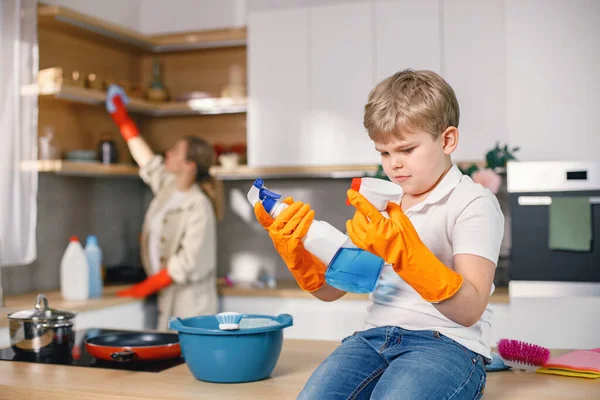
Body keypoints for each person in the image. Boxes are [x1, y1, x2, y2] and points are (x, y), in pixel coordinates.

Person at [254, 70, 504, 399]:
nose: (394, 164)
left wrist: (407, 255)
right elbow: (335, 291)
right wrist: (300, 255)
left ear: (447, 140)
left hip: (448, 344)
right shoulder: (383, 204)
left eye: (406, 149)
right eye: (384, 153)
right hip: (373, 339)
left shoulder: (472, 201)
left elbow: (470, 309)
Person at [106, 85, 221, 331]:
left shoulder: (199, 205)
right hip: (166, 300)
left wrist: (143, 288)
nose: (168, 153)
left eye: (176, 151)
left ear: (190, 165)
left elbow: (186, 263)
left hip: (192, 308)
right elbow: (146, 160)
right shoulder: (168, 187)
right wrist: (122, 119)